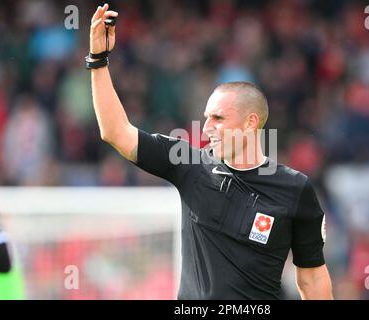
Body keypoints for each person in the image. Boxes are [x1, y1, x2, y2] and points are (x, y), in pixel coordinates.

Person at [88, 4, 333, 299]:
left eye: (218, 118)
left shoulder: (294, 189)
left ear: (250, 122)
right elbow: (116, 132)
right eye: (206, 118)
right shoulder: (189, 166)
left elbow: (312, 281)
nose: (206, 128)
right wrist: (98, 60)